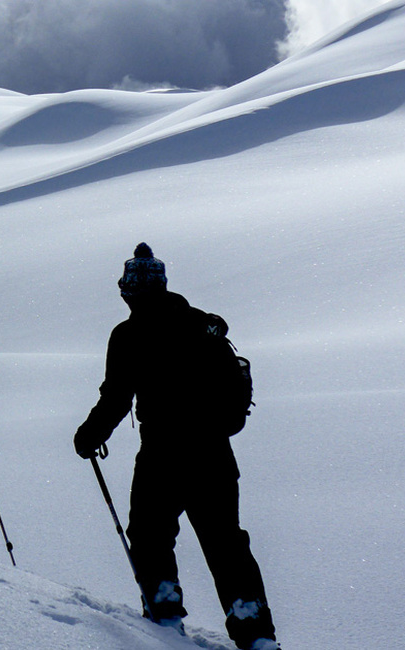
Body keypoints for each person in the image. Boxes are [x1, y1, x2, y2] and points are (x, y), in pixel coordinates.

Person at [73, 243, 279, 650]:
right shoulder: (202, 324)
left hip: (162, 453)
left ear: (129, 289)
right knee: (225, 542)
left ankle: (165, 613)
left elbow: (117, 397)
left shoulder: (128, 334)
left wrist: (89, 435)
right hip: (214, 452)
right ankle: (254, 628)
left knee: (150, 534)